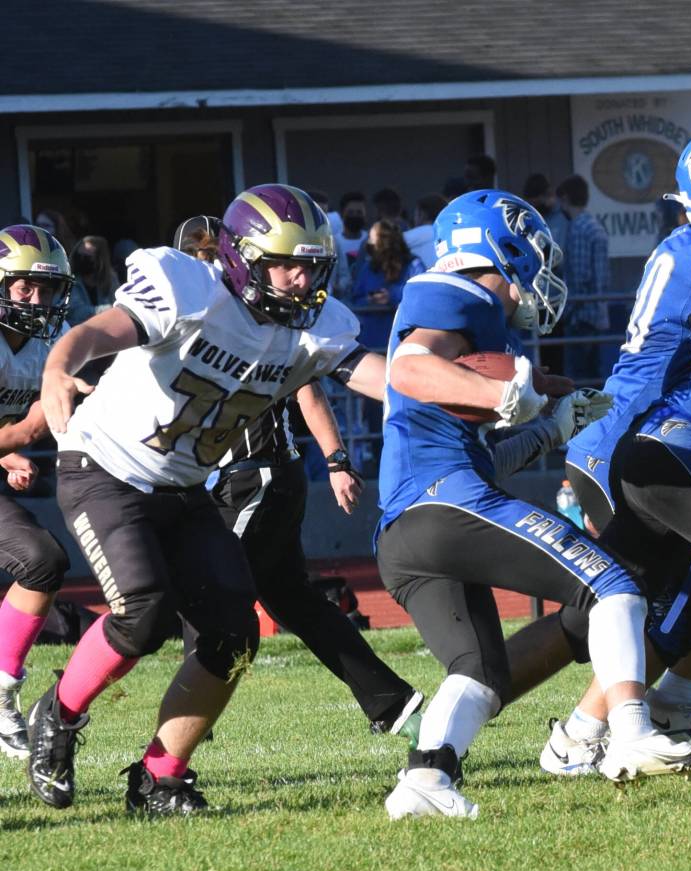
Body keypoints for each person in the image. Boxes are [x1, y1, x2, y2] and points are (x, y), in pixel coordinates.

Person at [31, 184, 390, 817]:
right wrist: (59, 367)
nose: (302, 280)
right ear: (242, 257)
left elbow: (379, 378)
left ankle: (159, 778)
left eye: (312, 265)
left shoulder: (316, 325)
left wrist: (458, 397)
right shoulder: (188, 288)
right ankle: (56, 715)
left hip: (186, 485)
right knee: (143, 611)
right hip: (107, 466)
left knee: (233, 633)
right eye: (286, 263)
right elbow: (92, 332)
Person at [377, 189, 691, 820]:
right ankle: (632, 733)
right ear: (497, 248)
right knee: (613, 585)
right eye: (529, 254)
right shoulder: (460, 294)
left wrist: (550, 427)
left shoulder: (467, 319)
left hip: (406, 530)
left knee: (478, 671)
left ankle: (426, 780)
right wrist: (499, 395)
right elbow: (410, 370)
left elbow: (478, 455)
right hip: (443, 502)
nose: (536, 272)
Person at [535, 124, 691, 775]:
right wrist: (597, 454)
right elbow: (654, 364)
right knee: (647, 613)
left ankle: (652, 718)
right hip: (636, 439)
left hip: (664, 441)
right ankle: (590, 732)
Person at [176, 215, 423, 741]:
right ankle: (389, 698)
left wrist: (335, 460)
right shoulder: (210, 320)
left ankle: (190, 702)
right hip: (261, 474)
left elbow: (310, 385)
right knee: (292, 598)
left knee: (205, 583)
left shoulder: (259, 320)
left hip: (254, 472)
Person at [0, 225, 73, 758]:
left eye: (46, 289)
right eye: (25, 286)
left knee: (43, 560)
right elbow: (27, 426)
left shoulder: (52, 337)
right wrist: (15, 442)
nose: (38, 299)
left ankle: (2, 693)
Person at [556, 174, 610, 381]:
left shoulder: (578, 228)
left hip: (581, 317)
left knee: (577, 377)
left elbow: (580, 277)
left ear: (565, 198)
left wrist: (566, 313)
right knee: (595, 376)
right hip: (598, 315)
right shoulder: (595, 225)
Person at [352, 219, 425, 351]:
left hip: (403, 340)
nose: (369, 244)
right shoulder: (368, 268)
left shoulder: (413, 264)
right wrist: (369, 300)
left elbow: (422, 296)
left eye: (373, 239)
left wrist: (391, 296)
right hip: (371, 340)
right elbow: (356, 298)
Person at [66, 235, 118, 326]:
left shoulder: (110, 279)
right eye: (79, 255)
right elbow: (76, 312)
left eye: (87, 257)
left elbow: (118, 303)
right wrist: (109, 309)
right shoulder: (70, 280)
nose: (82, 260)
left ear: (100, 260)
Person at [403, 194, 447, 269]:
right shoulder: (447, 232)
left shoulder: (424, 231)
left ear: (422, 214)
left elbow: (388, 242)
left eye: (415, 213)